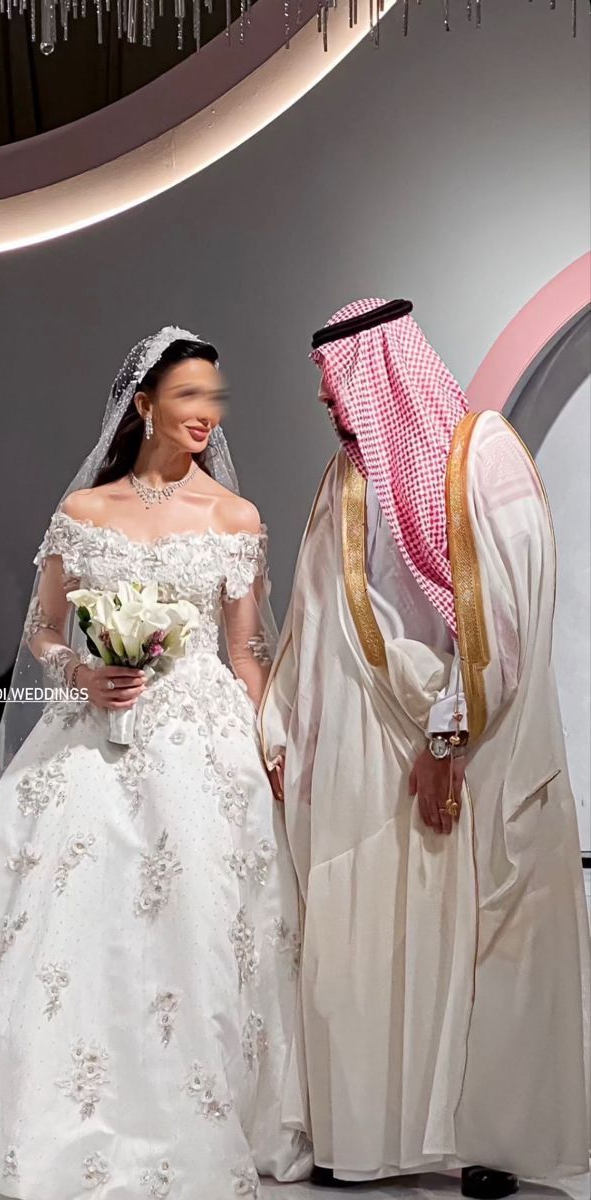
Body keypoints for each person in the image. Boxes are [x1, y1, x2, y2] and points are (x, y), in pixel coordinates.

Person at [0, 327, 311, 1199]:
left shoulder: (236, 518)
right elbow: (44, 630)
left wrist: (270, 742)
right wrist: (83, 668)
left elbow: (245, 650)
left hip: (202, 742)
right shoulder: (84, 514)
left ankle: (210, 1100)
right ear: (145, 403)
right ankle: (59, 1108)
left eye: (214, 398)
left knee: (202, 916)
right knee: (74, 913)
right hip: (92, 734)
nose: (207, 414)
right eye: (189, 396)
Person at [259, 299, 591, 1195]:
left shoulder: (480, 457)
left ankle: (488, 1147)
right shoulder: (342, 478)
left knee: (479, 955)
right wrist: (283, 725)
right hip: (362, 765)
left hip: (468, 753)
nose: (330, 404)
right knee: (361, 947)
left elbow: (509, 609)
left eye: (337, 384)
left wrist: (450, 731)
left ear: (379, 369)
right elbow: (311, 615)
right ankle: (361, 1135)